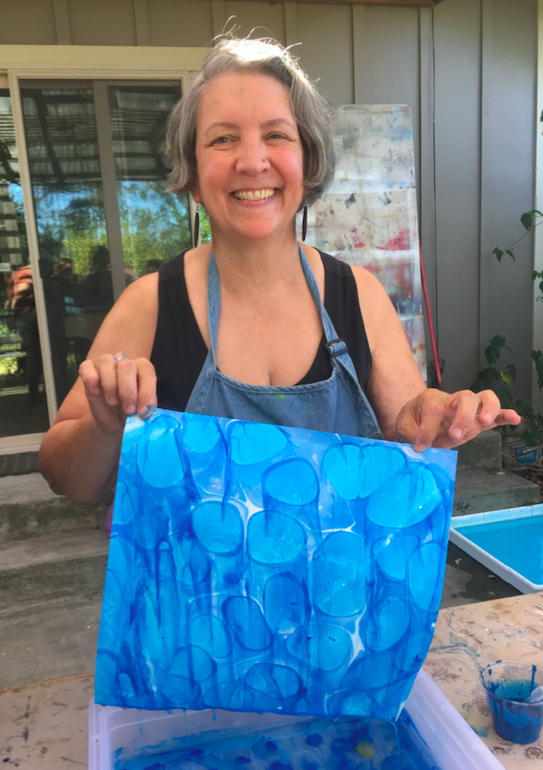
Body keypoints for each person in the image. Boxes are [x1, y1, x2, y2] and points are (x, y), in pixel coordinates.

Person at [39, 37, 520, 502]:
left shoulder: (360, 296)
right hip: (196, 584)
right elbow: (68, 480)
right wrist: (102, 427)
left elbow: (410, 428)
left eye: (276, 135)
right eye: (223, 139)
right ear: (193, 176)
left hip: (335, 584)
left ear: (308, 163)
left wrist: (435, 417)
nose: (252, 162)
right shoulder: (148, 304)